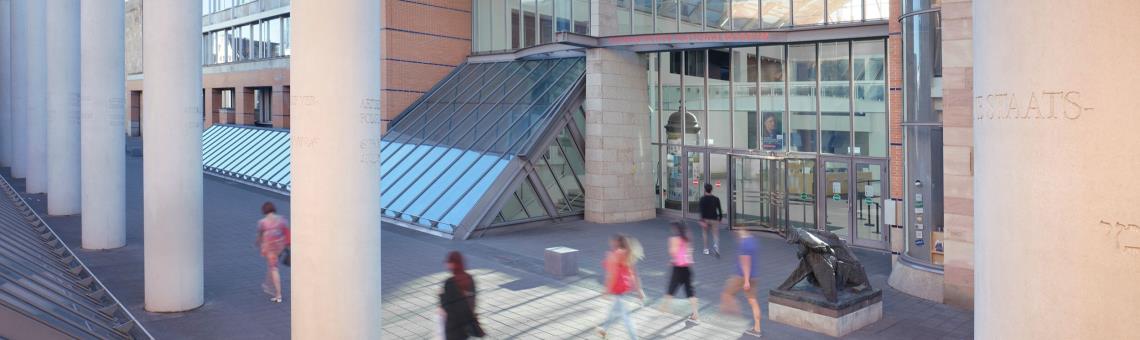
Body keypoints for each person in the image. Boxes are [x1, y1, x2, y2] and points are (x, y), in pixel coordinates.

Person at [596, 235, 641, 339]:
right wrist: (639, 291)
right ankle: (604, 330)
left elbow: (612, 275)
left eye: (612, 242)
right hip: (624, 286)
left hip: (617, 287)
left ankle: (634, 338)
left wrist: (606, 290)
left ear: (616, 243)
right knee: (613, 310)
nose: (610, 244)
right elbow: (633, 274)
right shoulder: (627, 254)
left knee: (626, 317)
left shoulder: (615, 255)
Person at [721, 229, 762, 337]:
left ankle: (735, 315)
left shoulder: (744, 243)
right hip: (754, 276)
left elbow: (745, 262)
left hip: (742, 276)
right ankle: (757, 328)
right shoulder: (753, 241)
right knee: (753, 301)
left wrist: (746, 281)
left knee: (726, 294)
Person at [659, 222, 699, 322]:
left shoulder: (674, 239)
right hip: (687, 268)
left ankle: (663, 309)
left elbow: (673, 252)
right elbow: (689, 253)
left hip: (678, 268)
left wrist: (673, 259)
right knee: (690, 291)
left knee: (671, 288)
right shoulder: (687, 238)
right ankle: (695, 314)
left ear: (675, 229)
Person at [440, 251, 482, 340]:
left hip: (453, 326)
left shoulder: (450, 282)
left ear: (453, 264)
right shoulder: (469, 278)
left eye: (449, 262)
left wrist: (441, 296)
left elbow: (447, 307)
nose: (447, 265)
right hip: (466, 324)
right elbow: (472, 301)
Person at [256, 201, 290, 303]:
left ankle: (278, 295)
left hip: (270, 248)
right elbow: (286, 232)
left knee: (274, 269)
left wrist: (258, 244)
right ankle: (268, 285)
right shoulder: (282, 219)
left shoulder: (262, 222)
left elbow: (260, 236)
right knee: (272, 268)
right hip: (280, 246)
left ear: (264, 211)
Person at [698, 183, 724, 258]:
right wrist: (720, 218)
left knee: (705, 234)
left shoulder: (702, 199)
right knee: (715, 234)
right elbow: (719, 209)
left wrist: (701, 220)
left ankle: (706, 249)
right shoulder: (716, 199)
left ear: (705, 190)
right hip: (714, 219)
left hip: (705, 219)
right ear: (711, 190)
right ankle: (716, 247)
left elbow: (701, 210)